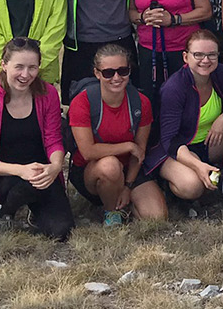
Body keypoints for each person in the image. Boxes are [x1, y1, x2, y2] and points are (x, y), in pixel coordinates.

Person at [0, 38, 73, 240]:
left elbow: (53, 137)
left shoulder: (48, 93)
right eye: (19, 67)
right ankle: (6, 211)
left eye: (32, 67)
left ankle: (36, 211)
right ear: (4, 65)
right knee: (21, 187)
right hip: (7, 174)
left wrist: (55, 166)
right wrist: (21, 170)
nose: (26, 75)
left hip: (41, 171)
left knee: (61, 231)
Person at [67, 44, 167, 225]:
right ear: (97, 73)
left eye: (123, 71)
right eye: (108, 73)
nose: (116, 78)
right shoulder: (83, 102)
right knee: (110, 166)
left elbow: (140, 151)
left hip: (130, 169)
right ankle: (111, 210)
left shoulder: (141, 102)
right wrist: (128, 146)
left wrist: (128, 186)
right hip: (93, 169)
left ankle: (124, 200)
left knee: (156, 218)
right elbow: (88, 151)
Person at [141, 29, 223, 203]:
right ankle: (170, 184)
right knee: (192, 186)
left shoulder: (221, 73)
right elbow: (170, 141)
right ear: (186, 57)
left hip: (207, 144)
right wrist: (198, 165)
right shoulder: (174, 88)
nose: (206, 60)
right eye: (198, 55)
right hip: (175, 149)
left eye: (212, 55)